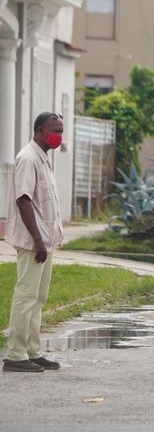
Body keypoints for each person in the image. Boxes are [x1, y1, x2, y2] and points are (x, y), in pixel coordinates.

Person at [2, 112, 65, 373]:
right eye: (55, 130)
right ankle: (15, 355)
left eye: (61, 131)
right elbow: (23, 199)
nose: (59, 136)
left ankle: (32, 351)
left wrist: (46, 240)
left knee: (38, 298)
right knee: (26, 296)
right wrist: (38, 240)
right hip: (32, 242)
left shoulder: (43, 158)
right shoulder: (28, 158)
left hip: (44, 241)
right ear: (40, 130)